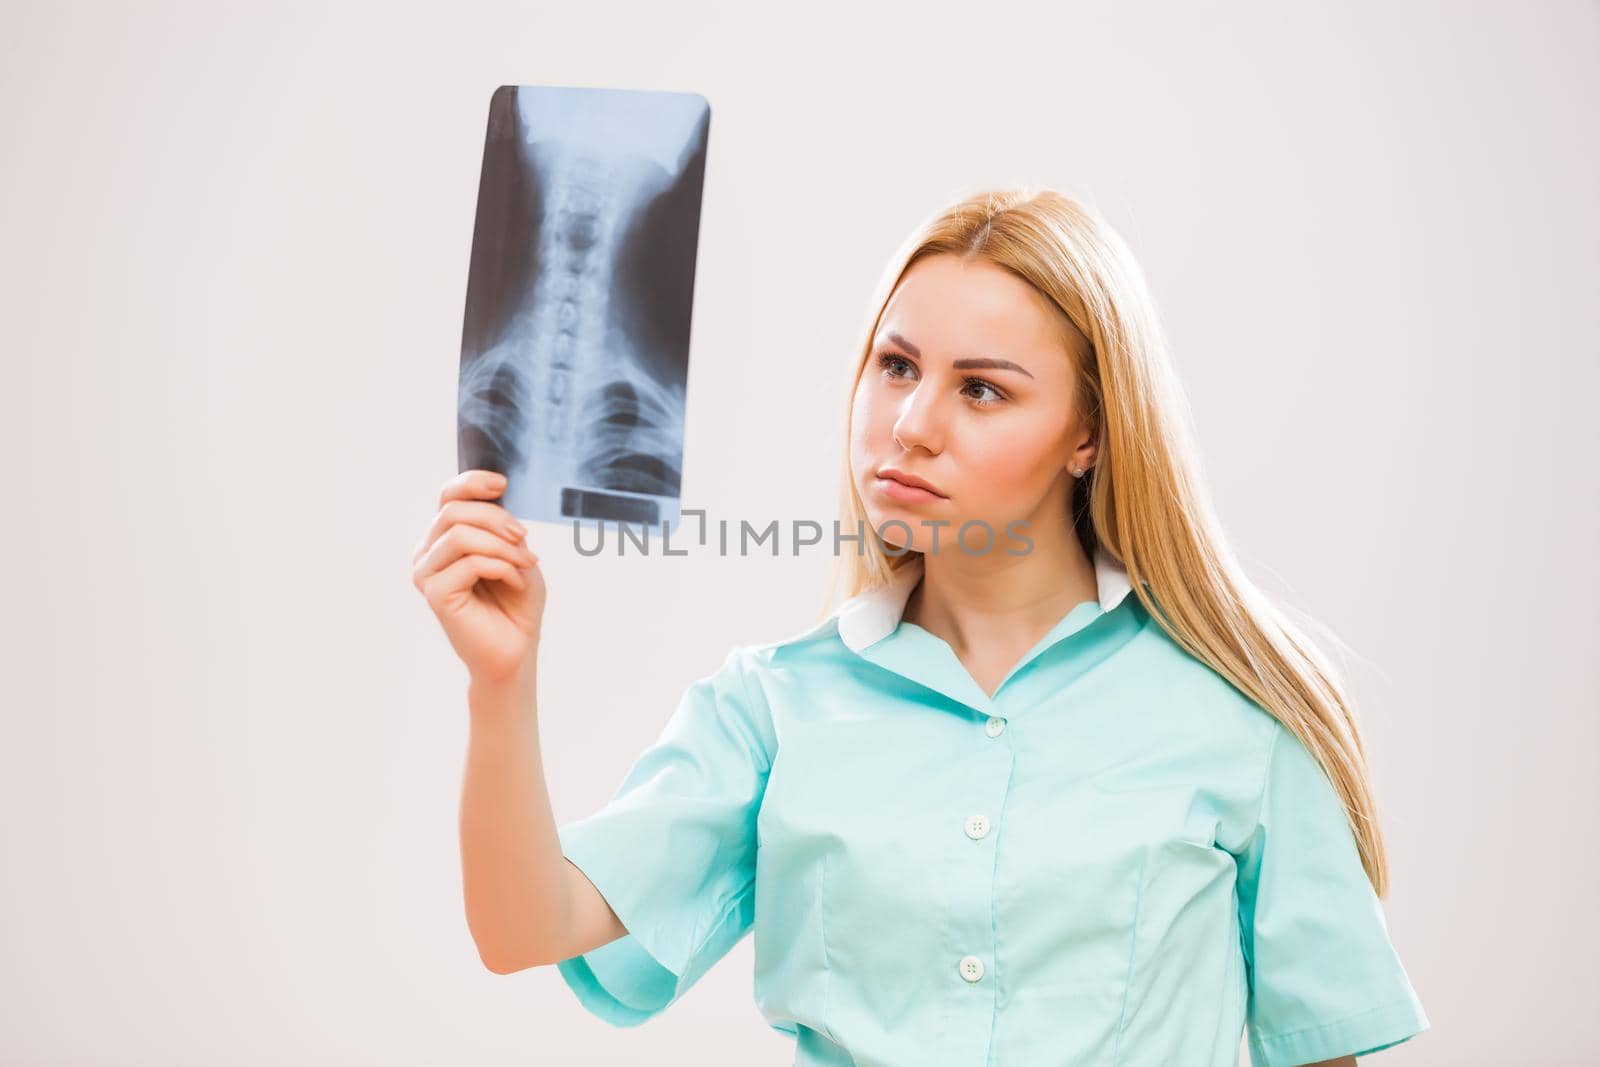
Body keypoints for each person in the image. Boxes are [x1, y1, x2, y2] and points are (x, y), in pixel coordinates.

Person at [411, 186, 1430, 1067]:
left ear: (1089, 435)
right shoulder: (772, 707)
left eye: (981, 388)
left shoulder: (1237, 718)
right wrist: (501, 684)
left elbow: (1320, 1044)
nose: (911, 424)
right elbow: (523, 926)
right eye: (895, 365)